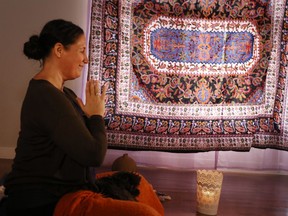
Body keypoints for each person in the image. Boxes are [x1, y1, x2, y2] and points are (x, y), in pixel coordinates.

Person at [3, 19, 108, 216]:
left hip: (64, 192)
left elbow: (88, 145)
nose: (86, 59)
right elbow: (94, 154)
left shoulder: (64, 94)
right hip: (42, 201)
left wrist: (91, 116)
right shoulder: (46, 96)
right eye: (81, 50)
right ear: (59, 50)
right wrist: (95, 116)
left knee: (136, 180)